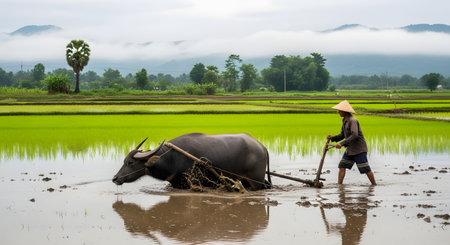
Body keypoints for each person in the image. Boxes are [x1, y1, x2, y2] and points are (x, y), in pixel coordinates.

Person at [327, 100, 376, 185]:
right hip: (350, 150)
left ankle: (374, 185)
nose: (338, 112)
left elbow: (355, 135)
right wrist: (333, 138)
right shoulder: (344, 121)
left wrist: (341, 144)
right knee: (342, 166)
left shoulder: (352, 120)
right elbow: (343, 134)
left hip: (359, 149)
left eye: (340, 110)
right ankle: (340, 186)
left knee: (365, 169)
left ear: (345, 111)